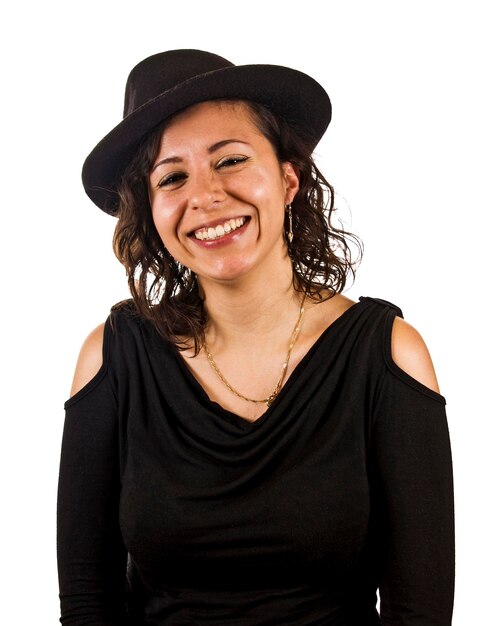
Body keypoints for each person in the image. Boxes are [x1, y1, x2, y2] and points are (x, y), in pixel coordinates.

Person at [57, 49, 455, 625]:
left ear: (288, 178)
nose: (205, 196)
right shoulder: (111, 357)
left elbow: (418, 614)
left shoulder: (388, 353)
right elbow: (87, 602)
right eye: (172, 177)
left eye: (231, 160)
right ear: (151, 209)